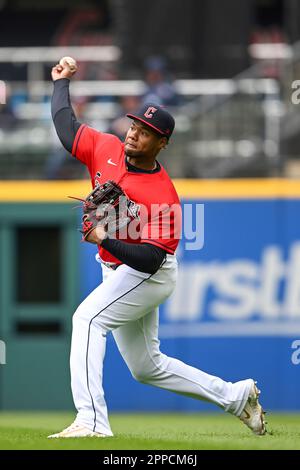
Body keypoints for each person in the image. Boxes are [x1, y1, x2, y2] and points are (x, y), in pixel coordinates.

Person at [48, 60, 266, 438]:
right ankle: (235, 395)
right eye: (134, 125)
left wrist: (105, 239)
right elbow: (66, 127)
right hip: (115, 267)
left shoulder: (164, 196)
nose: (134, 134)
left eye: (146, 132)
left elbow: (152, 258)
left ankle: (92, 422)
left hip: (149, 273)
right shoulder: (106, 148)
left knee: (87, 319)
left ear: (162, 143)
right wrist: (61, 83)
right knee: (146, 367)